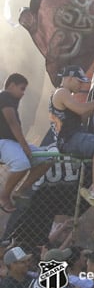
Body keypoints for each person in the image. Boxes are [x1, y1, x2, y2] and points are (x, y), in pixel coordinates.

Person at [49, 65, 94, 202]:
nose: (81, 85)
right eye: (79, 81)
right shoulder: (62, 92)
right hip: (69, 139)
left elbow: (81, 117)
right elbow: (81, 110)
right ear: (69, 78)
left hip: (71, 138)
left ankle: (93, 187)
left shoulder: (66, 95)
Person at [0, 73, 52, 213]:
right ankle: (4, 197)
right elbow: (12, 123)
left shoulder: (11, 100)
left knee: (47, 159)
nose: (23, 93)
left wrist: (23, 145)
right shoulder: (4, 96)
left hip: (12, 142)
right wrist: (24, 146)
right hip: (2, 142)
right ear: (11, 85)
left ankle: (20, 191)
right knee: (22, 164)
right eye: (22, 89)